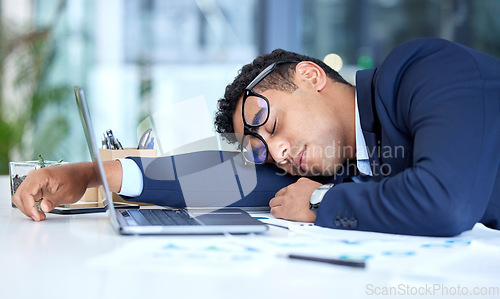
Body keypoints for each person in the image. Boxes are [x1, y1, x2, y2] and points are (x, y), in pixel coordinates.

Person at [12, 38, 500, 236]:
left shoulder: (424, 71)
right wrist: (90, 174)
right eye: (263, 149)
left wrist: (322, 201)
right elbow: (231, 180)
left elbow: (446, 202)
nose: (280, 154)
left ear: (310, 76)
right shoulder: (339, 158)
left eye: (270, 121)